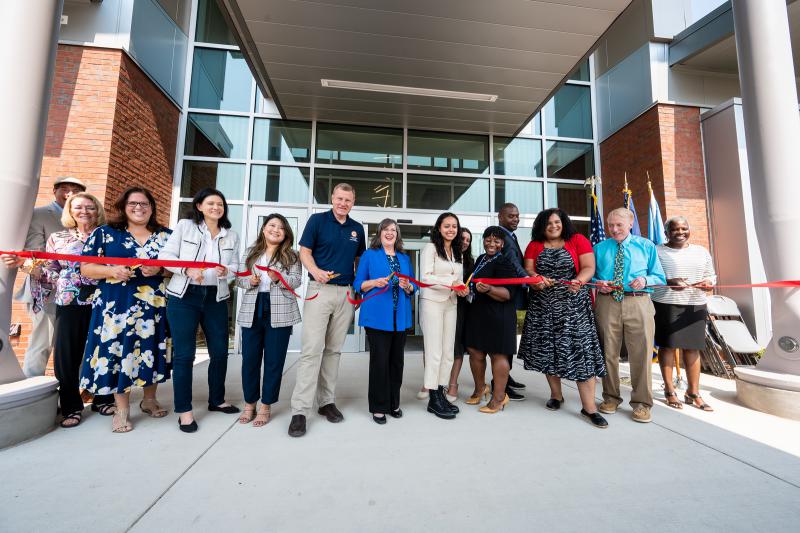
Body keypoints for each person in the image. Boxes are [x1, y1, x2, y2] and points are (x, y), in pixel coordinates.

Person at [1, 192, 114, 426]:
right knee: (66, 356)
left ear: (98, 210)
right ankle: (71, 406)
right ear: (70, 212)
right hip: (69, 301)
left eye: (90, 207)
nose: (84, 212)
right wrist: (27, 265)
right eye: (79, 207)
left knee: (102, 351)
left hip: (103, 301)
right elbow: (51, 271)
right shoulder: (58, 238)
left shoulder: (108, 236)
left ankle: (103, 398)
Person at [78, 187, 172, 433]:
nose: (139, 208)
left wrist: (161, 270)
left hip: (153, 306)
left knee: (151, 349)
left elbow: (177, 268)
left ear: (152, 208)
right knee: (120, 352)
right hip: (116, 307)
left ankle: (149, 399)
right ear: (123, 206)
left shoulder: (166, 236)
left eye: (144, 204)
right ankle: (121, 409)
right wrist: (111, 271)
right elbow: (85, 268)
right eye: (133, 203)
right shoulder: (106, 233)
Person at [517, 209, 608, 428]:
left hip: (574, 306)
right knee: (549, 352)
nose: (553, 226)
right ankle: (556, 395)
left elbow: (588, 267)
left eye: (557, 222)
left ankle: (589, 408)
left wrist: (579, 280)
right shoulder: (534, 245)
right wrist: (535, 279)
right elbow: (528, 270)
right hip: (543, 307)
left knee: (581, 354)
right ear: (541, 226)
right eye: (548, 223)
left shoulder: (577, 240)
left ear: (563, 223)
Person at [159, 188, 241, 433]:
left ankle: (217, 400)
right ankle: (184, 411)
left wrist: (229, 272)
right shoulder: (185, 227)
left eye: (220, 204)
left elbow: (236, 264)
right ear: (199, 206)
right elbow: (166, 256)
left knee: (220, 352)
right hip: (185, 296)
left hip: (216, 296)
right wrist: (186, 270)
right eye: (211, 203)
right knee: (185, 355)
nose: (216, 207)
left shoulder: (231, 235)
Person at [288, 183, 366, 437]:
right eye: (340, 198)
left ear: (353, 202)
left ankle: (326, 402)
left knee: (333, 351)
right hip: (319, 290)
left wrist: (358, 286)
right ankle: (300, 410)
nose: (343, 203)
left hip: (345, 293)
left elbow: (358, 260)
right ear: (332, 198)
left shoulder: (357, 229)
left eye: (348, 200)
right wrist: (315, 271)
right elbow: (304, 252)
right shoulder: (317, 221)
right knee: (312, 350)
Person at [593, 207, 666, 423]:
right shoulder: (599, 248)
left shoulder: (646, 246)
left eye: (619, 225)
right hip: (608, 303)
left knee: (641, 353)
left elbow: (659, 276)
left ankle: (642, 403)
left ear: (630, 224)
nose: (614, 229)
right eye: (611, 225)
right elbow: (593, 274)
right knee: (608, 352)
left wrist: (645, 280)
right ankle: (611, 397)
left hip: (638, 301)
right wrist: (599, 282)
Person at [14, 176, 86, 378]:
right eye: (64, 189)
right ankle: (31, 390)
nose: (70, 194)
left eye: (76, 190)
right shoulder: (39, 214)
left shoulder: (85, 219)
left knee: (76, 345)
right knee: (42, 343)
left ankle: (76, 393)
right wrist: (62, 276)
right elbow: (33, 253)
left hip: (79, 294)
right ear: (54, 191)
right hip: (47, 291)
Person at [236, 214, 302, 427]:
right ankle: (249, 404)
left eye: (281, 228)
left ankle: (266, 405)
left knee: (274, 362)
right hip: (253, 308)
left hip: (280, 310)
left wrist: (278, 278)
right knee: (250, 361)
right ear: (264, 229)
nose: (276, 230)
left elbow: (296, 280)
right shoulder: (250, 252)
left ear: (286, 234)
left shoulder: (292, 255)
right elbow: (238, 278)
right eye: (272, 225)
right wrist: (249, 280)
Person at [354, 219, 415, 424]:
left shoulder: (404, 258)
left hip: (401, 318)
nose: (390, 233)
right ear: (379, 233)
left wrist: (408, 287)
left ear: (397, 235)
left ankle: (393, 403)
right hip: (378, 318)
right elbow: (358, 283)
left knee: (397, 363)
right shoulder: (369, 255)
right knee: (380, 363)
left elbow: (414, 286)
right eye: (386, 230)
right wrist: (373, 282)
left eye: (394, 230)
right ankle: (379, 406)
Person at [653, 216, 716, 412]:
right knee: (668, 347)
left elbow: (710, 274)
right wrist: (669, 281)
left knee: (693, 348)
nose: (680, 232)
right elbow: (653, 275)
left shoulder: (701, 251)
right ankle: (670, 391)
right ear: (666, 233)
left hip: (695, 304)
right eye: (675, 229)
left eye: (684, 228)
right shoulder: (657, 251)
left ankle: (693, 393)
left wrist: (708, 283)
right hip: (666, 304)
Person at [420, 212, 468, 419]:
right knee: (434, 351)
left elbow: (460, 279)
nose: (451, 229)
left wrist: (461, 289)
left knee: (449, 352)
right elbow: (425, 277)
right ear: (439, 227)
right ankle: (433, 397)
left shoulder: (458, 252)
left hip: (451, 303)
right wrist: (451, 282)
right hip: (432, 302)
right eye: (447, 225)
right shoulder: (430, 248)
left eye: (454, 226)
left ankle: (440, 391)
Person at [464, 227, 517, 414]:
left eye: (496, 241)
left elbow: (508, 294)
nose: (491, 243)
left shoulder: (506, 262)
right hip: (479, 312)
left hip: (499, 314)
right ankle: (481, 388)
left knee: (498, 354)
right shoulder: (480, 259)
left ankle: (499, 397)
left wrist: (489, 290)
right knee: (475, 350)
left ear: (503, 243)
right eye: (488, 239)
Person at [496, 203, 529, 399]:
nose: (516, 219)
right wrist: (527, 280)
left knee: (509, 340)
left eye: (517, 216)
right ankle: (501, 383)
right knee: (505, 341)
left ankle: (506, 377)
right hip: (505, 296)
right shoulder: (502, 237)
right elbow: (513, 262)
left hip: (512, 296)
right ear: (500, 217)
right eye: (511, 216)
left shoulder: (511, 236)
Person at [445, 227, 474, 403]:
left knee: (457, 347)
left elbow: (473, 289)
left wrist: (469, 291)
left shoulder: (470, 262)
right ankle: (435, 383)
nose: (464, 242)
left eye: (468, 240)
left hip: (462, 309)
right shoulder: (444, 257)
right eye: (462, 238)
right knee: (440, 347)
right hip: (442, 304)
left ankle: (453, 384)